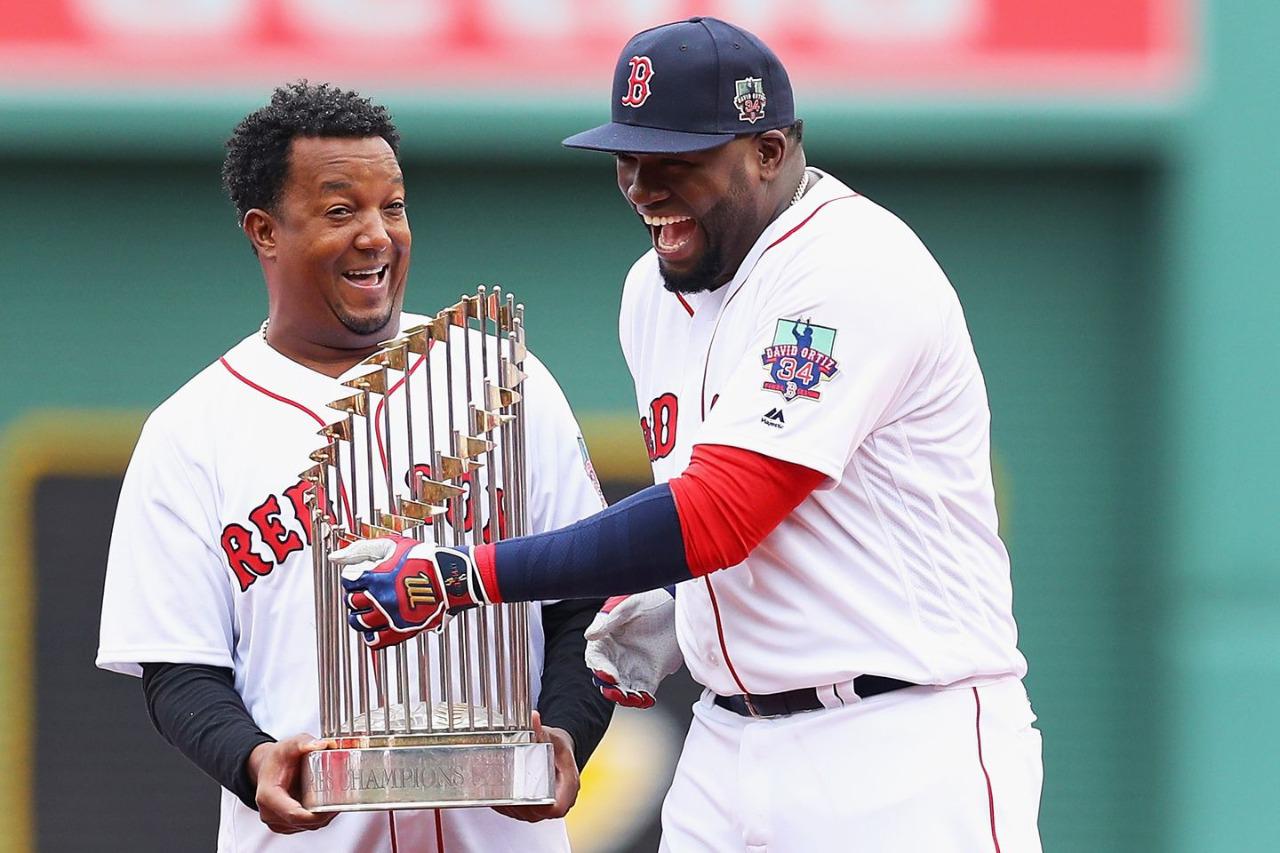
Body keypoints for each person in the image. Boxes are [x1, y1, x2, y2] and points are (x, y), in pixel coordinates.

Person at [329, 17, 1044, 852]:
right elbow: (772, 525)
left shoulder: (852, 266)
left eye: (677, 160)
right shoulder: (651, 291)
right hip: (726, 744)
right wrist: (684, 609)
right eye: (628, 159)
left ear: (769, 150)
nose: (643, 185)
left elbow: (719, 514)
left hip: (896, 744)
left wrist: (461, 575)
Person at [96, 81, 613, 852]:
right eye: (342, 211)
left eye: (393, 207)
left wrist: (568, 731)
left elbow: (587, 603)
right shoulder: (191, 431)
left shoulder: (502, 379)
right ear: (265, 231)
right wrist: (253, 760)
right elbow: (180, 671)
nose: (377, 235)